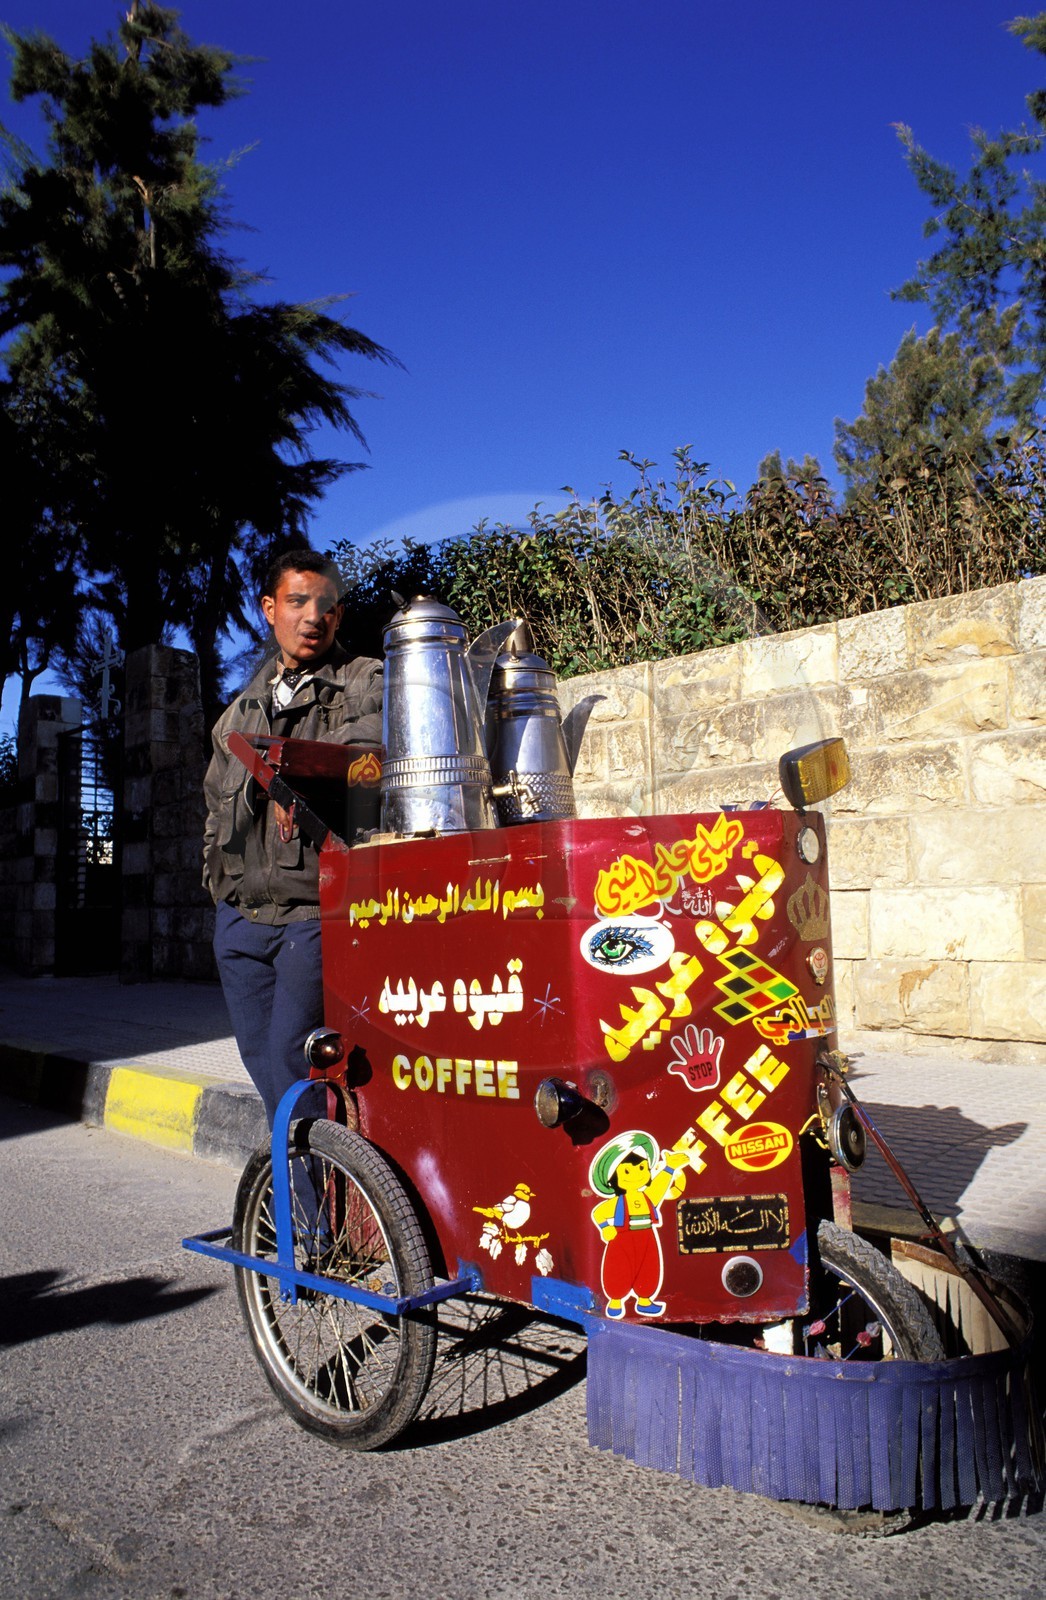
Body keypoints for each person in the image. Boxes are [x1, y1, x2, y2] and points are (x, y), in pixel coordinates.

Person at [203, 550, 383, 1126]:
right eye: (297, 601)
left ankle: (320, 1213)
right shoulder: (235, 715)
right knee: (264, 1069)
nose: (313, 617)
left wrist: (295, 778)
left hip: (314, 914)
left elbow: (374, 743)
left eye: (326, 605)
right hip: (241, 922)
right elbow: (213, 809)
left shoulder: (364, 680)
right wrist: (219, 889)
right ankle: (301, 1206)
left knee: (295, 1061)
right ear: (269, 609)